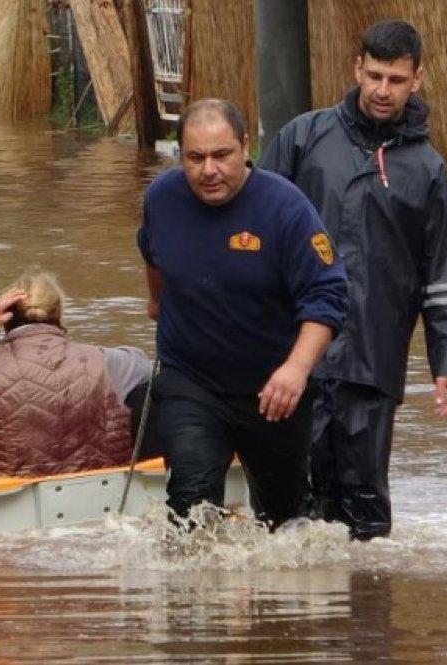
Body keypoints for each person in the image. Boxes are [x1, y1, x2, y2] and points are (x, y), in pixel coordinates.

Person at [259, 20, 447, 540]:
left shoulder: (426, 171)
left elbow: (444, 273)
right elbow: (254, 234)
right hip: (293, 359)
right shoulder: (303, 138)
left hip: (372, 362)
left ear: (417, 79)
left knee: (365, 512)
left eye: (395, 80)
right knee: (287, 508)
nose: (382, 90)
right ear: (357, 69)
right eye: (374, 75)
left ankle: (367, 611)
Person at [138, 98, 349, 529]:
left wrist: (296, 369)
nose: (209, 170)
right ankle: (193, 596)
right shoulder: (162, 199)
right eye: (195, 158)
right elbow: (153, 254)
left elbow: (328, 295)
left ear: (245, 146)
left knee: (284, 519)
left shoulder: (286, 208)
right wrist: (157, 301)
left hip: (273, 389)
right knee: (191, 500)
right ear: (180, 156)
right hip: (191, 380)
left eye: (221, 156)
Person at [0, 269, 153, 481]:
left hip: (3, 492)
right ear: (60, 316)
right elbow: (147, 366)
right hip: (94, 485)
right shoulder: (105, 361)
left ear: (6, 318)